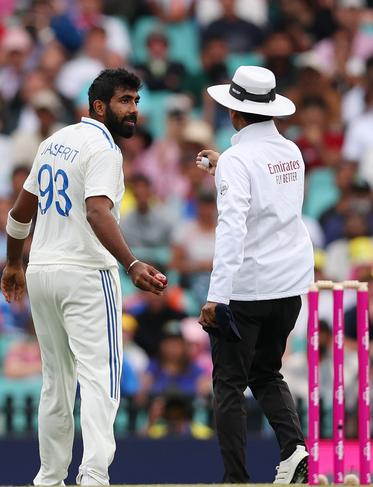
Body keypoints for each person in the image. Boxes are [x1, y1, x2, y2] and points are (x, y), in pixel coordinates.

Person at [0, 68, 167, 486]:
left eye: (136, 101)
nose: (133, 111)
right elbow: (97, 211)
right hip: (87, 275)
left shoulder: (54, 142)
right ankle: (93, 477)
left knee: (56, 384)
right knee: (101, 380)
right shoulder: (105, 149)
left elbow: (20, 215)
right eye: (125, 101)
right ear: (99, 106)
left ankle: (49, 478)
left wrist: (14, 263)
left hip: (42, 272)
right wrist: (131, 263)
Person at [195, 66, 313, 483]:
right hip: (289, 286)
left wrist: (216, 297)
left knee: (228, 384)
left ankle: (235, 478)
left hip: (246, 289)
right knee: (266, 371)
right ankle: (294, 447)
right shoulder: (292, 151)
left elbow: (233, 226)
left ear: (233, 112)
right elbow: (268, 193)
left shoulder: (239, 160)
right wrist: (222, 164)